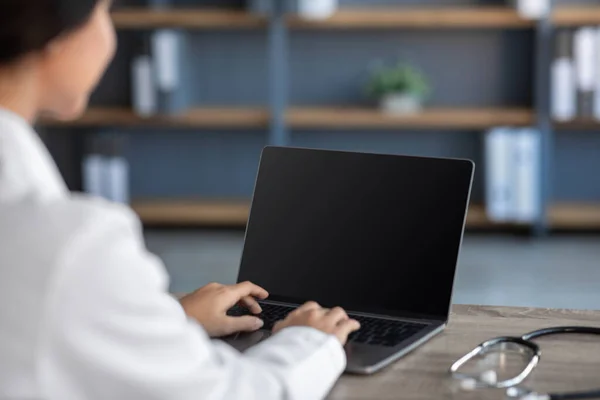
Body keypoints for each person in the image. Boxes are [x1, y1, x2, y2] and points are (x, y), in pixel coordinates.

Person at [0, 1, 361, 399]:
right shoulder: (70, 247)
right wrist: (310, 342)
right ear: (54, 36)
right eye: (104, 12)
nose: (109, 37)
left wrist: (163, 321)